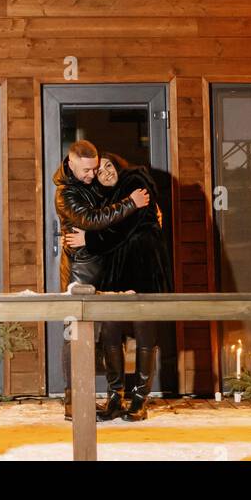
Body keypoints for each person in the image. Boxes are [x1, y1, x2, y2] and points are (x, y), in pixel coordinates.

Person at [64, 152, 171, 421]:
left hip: (144, 266)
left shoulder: (136, 181)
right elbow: (111, 223)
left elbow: (126, 226)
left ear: (119, 165)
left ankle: (139, 398)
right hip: (116, 270)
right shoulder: (104, 199)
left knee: (144, 327)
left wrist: (90, 239)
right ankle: (115, 396)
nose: (106, 173)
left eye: (109, 166)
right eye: (99, 172)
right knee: (110, 329)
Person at [51, 140, 150, 419]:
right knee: (76, 335)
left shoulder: (90, 182)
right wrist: (131, 203)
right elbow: (93, 219)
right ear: (70, 164)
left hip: (105, 269)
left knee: (104, 335)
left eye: (94, 169)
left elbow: (111, 220)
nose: (91, 175)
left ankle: (115, 397)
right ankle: (73, 401)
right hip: (80, 273)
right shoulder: (66, 193)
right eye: (86, 170)